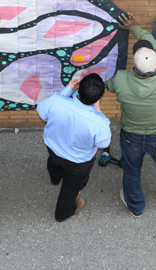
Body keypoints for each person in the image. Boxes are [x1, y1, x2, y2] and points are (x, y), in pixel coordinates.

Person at [107, 13, 156, 217]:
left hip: (132, 138)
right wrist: (137, 28)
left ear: (135, 66)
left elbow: (110, 85)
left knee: (132, 172)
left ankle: (136, 207)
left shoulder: (122, 79)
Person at [37, 74, 111, 222]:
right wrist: (98, 111)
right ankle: (63, 213)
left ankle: (55, 178)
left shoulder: (56, 102)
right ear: (99, 98)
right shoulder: (100, 123)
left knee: (54, 164)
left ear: (79, 88)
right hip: (78, 163)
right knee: (70, 188)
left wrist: (67, 90)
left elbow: (42, 111)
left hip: (54, 150)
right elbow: (103, 144)